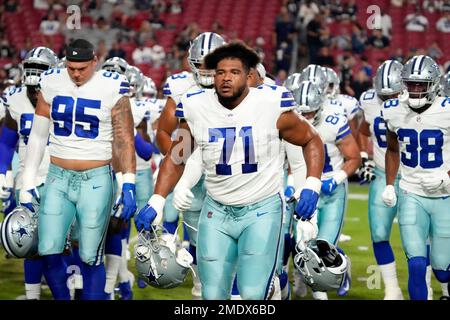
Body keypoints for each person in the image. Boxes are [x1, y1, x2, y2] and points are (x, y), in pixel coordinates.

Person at [135, 42, 325, 300]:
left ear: (248, 75)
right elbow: (177, 157)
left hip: (262, 209)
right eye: (220, 72)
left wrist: (312, 185)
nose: (226, 78)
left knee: (251, 293)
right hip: (216, 210)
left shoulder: (270, 103)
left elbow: (311, 140)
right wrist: (157, 200)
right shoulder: (195, 105)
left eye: (234, 72)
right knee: (211, 294)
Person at [19, 39, 137, 300]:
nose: (76, 73)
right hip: (57, 177)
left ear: (94, 61)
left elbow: (124, 138)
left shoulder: (112, 85)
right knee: (48, 250)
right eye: (71, 68)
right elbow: (38, 136)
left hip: (96, 179)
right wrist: (27, 182)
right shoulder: (51, 80)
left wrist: (128, 182)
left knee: (90, 256)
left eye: (82, 68)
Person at [156, 32, 226, 299]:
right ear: (190, 63)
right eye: (201, 64)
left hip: (230, 173)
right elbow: (164, 133)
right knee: (199, 239)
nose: (206, 72)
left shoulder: (241, 83)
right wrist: (179, 166)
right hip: (193, 173)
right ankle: (203, 286)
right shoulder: (180, 88)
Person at [382, 55, 450, 300]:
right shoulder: (393, 110)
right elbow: (392, 149)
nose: (416, 89)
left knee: (443, 269)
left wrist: (447, 176)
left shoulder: (447, 109)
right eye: (411, 84)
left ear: (434, 85)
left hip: (445, 196)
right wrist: (390, 184)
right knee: (417, 264)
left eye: (421, 84)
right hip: (411, 192)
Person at [292, 80, 361, 300]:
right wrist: (290, 184)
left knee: (324, 245)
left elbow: (353, 157)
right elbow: (284, 161)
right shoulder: (288, 122)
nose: (306, 118)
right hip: (305, 188)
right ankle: (301, 277)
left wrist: (337, 178)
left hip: (331, 189)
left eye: (310, 112)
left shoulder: (333, 121)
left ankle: (327, 285)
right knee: (301, 244)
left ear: (320, 107)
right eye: (302, 112)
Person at [0, 47, 58, 300]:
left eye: (39, 90)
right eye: (32, 90)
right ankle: (32, 296)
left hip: (60, 180)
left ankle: (70, 292)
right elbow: (6, 142)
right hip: (28, 181)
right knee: (29, 243)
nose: (35, 95)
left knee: (61, 247)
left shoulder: (66, 93)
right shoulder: (14, 98)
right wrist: (4, 172)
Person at [357, 60, 405, 300]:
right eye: (383, 95)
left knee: (418, 239)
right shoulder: (368, 100)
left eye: (393, 94)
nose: (388, 99)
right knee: (378, 233)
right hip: (380, 173)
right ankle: (392, 289)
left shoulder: (416, 103)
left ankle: (428, 288)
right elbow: (363, 131)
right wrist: (365, 156)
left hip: (411, 177)